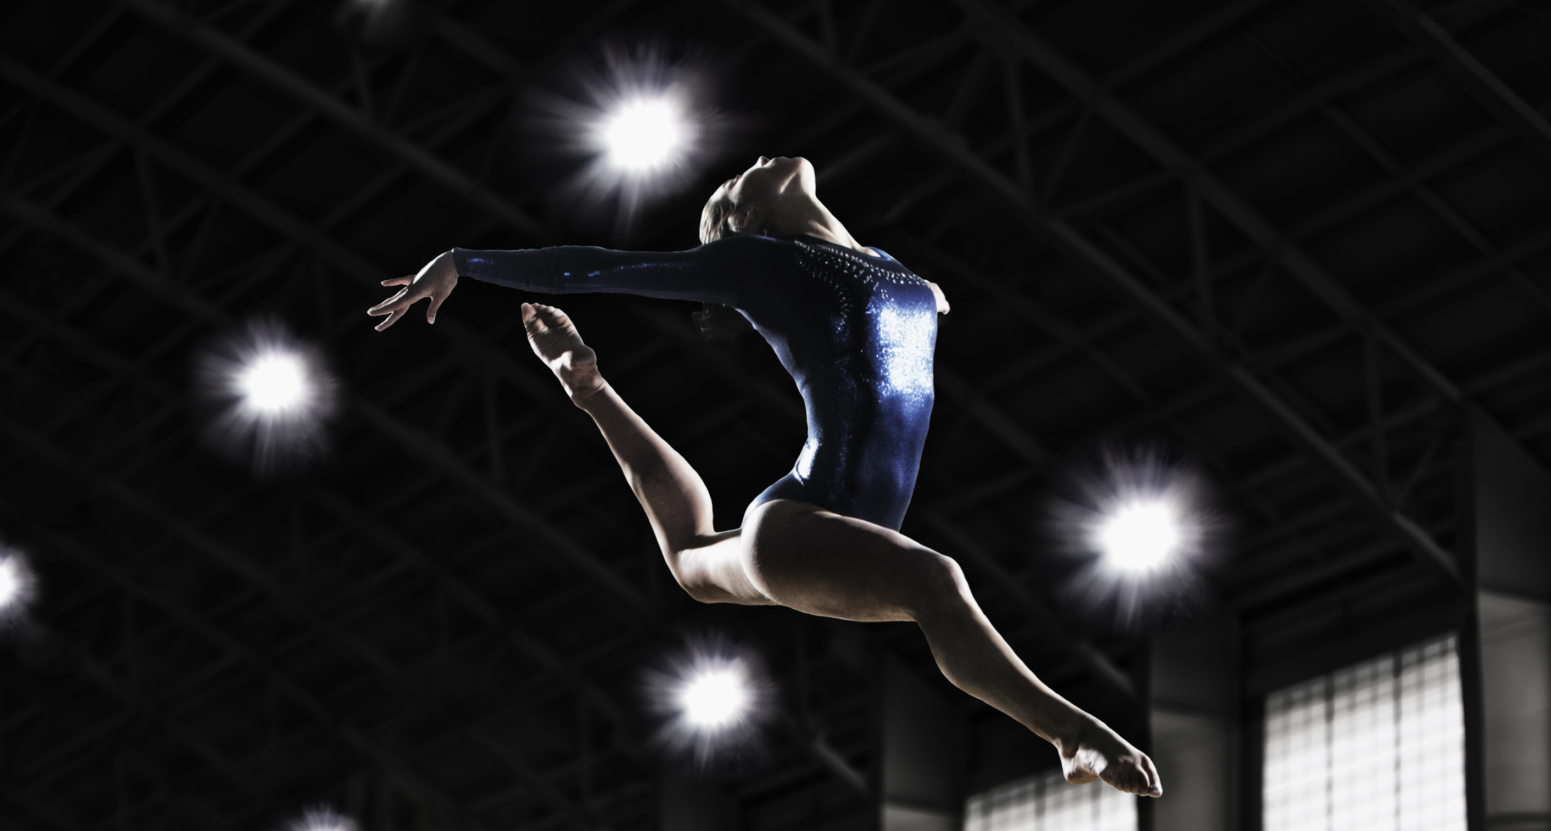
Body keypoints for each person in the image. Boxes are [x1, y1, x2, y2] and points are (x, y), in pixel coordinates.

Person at [369, 155, 1160, 797]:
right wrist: (465, 262)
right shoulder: (755, 263)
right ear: (739, 223)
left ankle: (588, 393)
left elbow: (869, 273)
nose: (751, 162)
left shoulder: (881, 265)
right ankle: (1069, 732)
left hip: (830, 530)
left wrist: (589, 384)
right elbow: (598, 267)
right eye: (733, 183)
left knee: (692, 564)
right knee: (934, 580)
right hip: (800, 519)